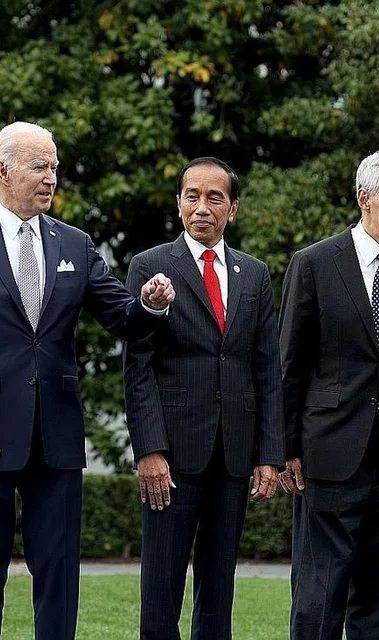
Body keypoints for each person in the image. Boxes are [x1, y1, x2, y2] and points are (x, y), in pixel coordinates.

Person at [0, 121, 174, 640]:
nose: (51, 177)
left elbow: (121, 315)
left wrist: (149, 304)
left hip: (56, 440)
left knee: (59, 581)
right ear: (2, 171)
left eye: (55, 167)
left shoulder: (74, 243)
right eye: (40, 166)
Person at [278, 148, 379, 639]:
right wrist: (286, 448)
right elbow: (290, 365)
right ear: (364, 198)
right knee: (319, 595)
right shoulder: (313, 263)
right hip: (327, 453)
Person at [123, 157, 284, 639]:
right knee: (161, 589)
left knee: (218, 590)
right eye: (192, 196)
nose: (202, 207)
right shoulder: (150, 265)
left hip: (233, 455)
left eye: (215, 198)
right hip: (172, 456)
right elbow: (137, 369)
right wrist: (149, 450)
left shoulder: (254, 274)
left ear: (232, 209)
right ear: (178, 203)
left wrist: (269, 454)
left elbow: (267, 369)